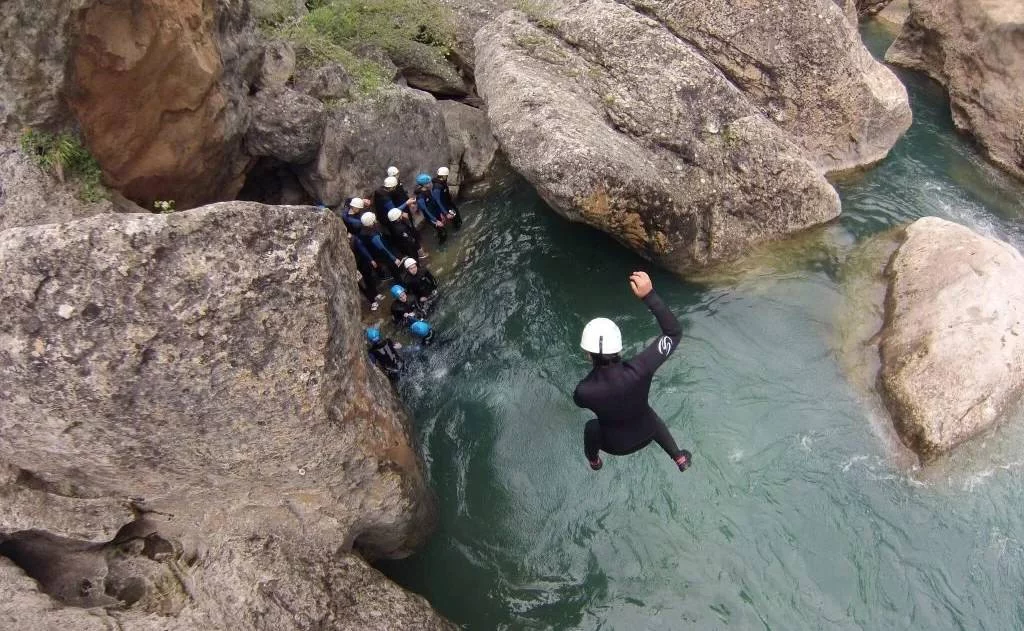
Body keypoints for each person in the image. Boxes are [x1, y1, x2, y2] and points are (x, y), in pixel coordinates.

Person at [573, 271, 692, 472]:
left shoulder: (585, 391)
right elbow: (673, 333)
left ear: (587, 353)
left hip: (616, 446)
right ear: (619, 348)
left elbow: (578, 402)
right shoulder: (641, 367)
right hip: (648, 433)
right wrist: (649, 295)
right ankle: (678, 457)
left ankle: (594, 462)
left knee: (591, 427)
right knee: (645, 412)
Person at [358, 212, 402, 279]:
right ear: (371, 223)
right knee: (393, 268)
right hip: (383, 254)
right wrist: (394, 259)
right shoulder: (374, 236)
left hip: (376, 252)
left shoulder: (363, 231)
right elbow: (383, 248)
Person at [349, 233, 383, 311]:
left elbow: (362, 250)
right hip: (360, 265)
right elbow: (362, 249)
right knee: (367, 281)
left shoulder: (354, 240)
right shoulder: (354, 239)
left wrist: (370, 259)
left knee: (364, 284)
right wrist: (370, 260)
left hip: (359, 266)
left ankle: (373, 300)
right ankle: (376, 296)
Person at [414, 173, 449, 244]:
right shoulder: (420, 197)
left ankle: (440, 236)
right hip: (431, 216)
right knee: (442, 232)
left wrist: (441, 213)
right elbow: (425, 210)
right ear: (424, 184)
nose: (430, 184)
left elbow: (434, 202)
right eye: (428, 183)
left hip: (436, 212)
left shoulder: (427, 190)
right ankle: (441, 245)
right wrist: (436, 220)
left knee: (442, 229)